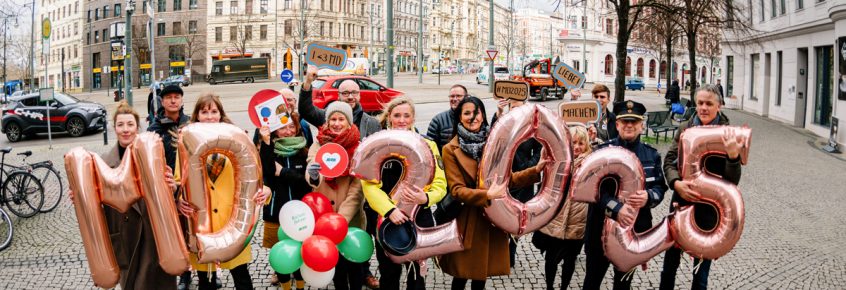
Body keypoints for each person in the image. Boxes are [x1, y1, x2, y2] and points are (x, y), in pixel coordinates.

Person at [439, 96, 547, 290]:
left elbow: (507, 179)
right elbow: (456, 191)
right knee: (461, 275)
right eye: (467, 113)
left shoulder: (493, 142)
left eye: (477, 112)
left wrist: (536, 170)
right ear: (459, 117)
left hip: (492, 220)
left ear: (483, 114)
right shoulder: (450, 149)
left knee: (481, 276)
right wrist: (486, 195)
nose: (473, 117)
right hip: (467, 220)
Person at [70, 101, 179, 289]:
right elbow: (94, 206)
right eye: (121, 125)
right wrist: (80, 199)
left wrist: (173, 187)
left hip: (154, 235)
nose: (125, 130)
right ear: (114, 129)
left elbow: (169, 194)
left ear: (138, 128)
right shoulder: (103, 163)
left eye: (130, 124)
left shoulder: (153, 156)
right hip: (124, 237)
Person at [177, 93, 270, 290]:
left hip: (233, 222)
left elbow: (258, 180)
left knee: (242, 277)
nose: (209, 116)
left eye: (213, 111)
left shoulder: (237, 140)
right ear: (197, 116)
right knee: (206, 282)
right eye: (204, 112)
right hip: (203, 225)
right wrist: (178, 200)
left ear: (221, 114)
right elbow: (179, 181)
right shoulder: (186, 145)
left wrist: (265, 192)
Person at [659, 85, 742, 290]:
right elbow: (669, 161)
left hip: (709, 212)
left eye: (709, 104)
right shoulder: (685, 128)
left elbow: (732, 181)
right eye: (700, 103)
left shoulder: (728, 135)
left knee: (701, 273)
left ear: (719, 106)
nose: (703, 108)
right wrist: (676, 183)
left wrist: (733, 157)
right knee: (669, 265)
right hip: (681, 205)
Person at [361, 96, 447, 290]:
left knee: (417, 277)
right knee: (389, 274)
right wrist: (390, 210)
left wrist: (426, 198)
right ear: (389, 117)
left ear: (413, 118)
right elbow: (368, 185)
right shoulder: (378, 145)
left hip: (419, 218)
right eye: (397, 115)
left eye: (406, 116)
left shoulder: (428, 145)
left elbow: (441, 184)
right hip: (388, 220)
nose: (402, 120)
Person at [582, 100, 668, 290]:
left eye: (634, 122)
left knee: (623, 285)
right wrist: (616, 209)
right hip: (599, 231)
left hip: (634, 230)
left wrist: (649, 196)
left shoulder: (651, 155)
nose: (629, 125)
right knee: (592, 282)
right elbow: (592, 190)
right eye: (625, 121)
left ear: (641, 125)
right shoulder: (603, 152)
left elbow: (661, 187)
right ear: (618, 124)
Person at [305, 101, 366, 290]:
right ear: (327, 121)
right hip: (324, 218)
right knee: (337, 269)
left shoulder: (359, 146)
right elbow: (311, 165)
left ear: (349, 122)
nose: (337, 123)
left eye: (341, 119)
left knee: (355, 267)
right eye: (333, 119)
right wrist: (313, 175)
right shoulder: (319, 143)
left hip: (350, 220)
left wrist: (340, 220)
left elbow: (358, 189)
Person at [146, 84, 194, 290]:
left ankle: (206, 269)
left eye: (177, 97)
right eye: (169, 98)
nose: (173, 100)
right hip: (166, 188)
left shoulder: (190, 124)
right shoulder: (153, 129)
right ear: (162, 101)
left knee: (195, 229)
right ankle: (183, 273)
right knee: (175, 232)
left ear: (182, 100)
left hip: (190, 185)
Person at [531, 126, 591, 290]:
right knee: (551, 258)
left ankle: (564, 287)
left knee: (570, 259)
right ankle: (550, 286)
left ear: (587, 145)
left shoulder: (591, 162)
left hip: (577, 221)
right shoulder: (558, 158)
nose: (577, 147)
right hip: (555, 219)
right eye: (574, 143)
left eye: (581, 143)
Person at [257, 113, 311, 290]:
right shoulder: (269, 150)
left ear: (297, 128)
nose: (288, 131)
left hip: (299, 214)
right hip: (275, 212)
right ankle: (286, 287)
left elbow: (307, 182)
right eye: (282, 127)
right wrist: (265, 143)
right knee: (280, 256)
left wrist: (284, 173)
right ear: (275, 131)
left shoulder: (305, 150)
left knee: (299, 254)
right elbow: (267, 171)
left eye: (291, 127)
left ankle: (301, 287)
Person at [491, 96, 542, 268]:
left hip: (524, 180)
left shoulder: (532, 129)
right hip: (503, 179)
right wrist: (498, 113)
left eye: (518, 107)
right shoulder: (503, 125)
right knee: (501, 214)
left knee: (517, 217)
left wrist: (529, 166)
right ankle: (499, 251)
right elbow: (491, 140)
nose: (515, 111)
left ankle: (511, 251)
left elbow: (539, 150)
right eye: (512, 107)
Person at [298, 64, 381, 139]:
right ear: (338, 96)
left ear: (359, 95)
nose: (350, 97)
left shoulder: (372, 123)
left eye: (354, 93)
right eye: (345, 93)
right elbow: (305, 110)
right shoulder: (326, 116)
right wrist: (308, 82)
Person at [426, 84, 468, 151]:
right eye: (452, 96)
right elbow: (430, 148)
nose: (455, 99)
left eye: (458, 96)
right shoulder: (437, 120)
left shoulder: (473, 119)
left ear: (466, 97)